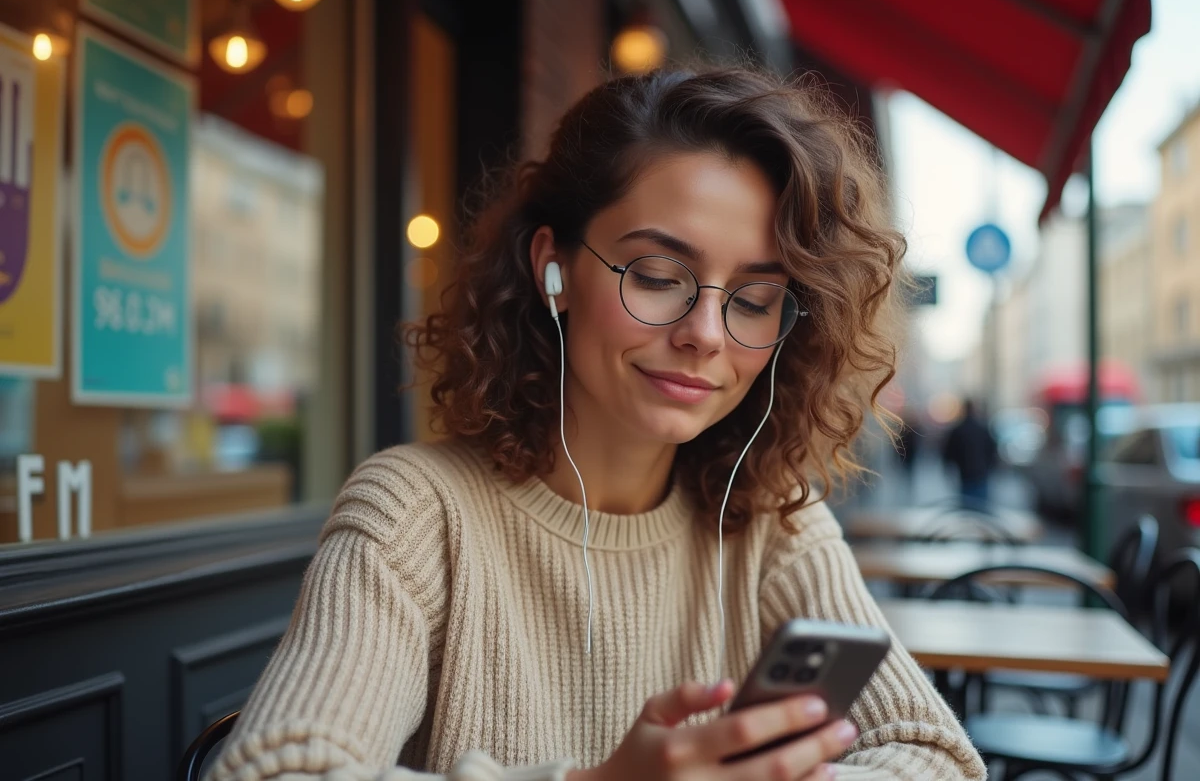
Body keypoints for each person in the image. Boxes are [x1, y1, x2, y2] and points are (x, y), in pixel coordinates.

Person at [208, 68, 985, 780]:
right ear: (555, 269)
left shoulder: (771, 522)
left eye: (753, 300)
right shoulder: (417, 512)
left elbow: (936, 756)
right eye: (656, 277)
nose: (706, 334)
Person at [940, 399, 998, 509]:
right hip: (981, 473)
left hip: (965, 474)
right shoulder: (983, 429)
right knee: (981, 508)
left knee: (967, 508)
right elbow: (992, 451)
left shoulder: (958, 430)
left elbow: (948, 452)